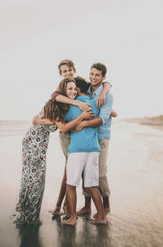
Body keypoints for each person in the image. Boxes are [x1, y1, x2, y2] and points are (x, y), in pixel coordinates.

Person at [15, 78, 93, 225]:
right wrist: (82, 117)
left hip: (41, 143)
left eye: (74, 89)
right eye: (69, 89)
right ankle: (28, 217)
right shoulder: (56, 104)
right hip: (33, 142)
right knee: (34, 179)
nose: (73, 91)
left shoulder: (64, 106)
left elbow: (52, 122)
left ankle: (28, 214)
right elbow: (62, 128)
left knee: (37, 179)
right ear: (63, 91)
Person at [44, 59, 113, 217]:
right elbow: (54, 97)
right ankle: (61, 206)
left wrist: (104, 91)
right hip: (69, 133)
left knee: (79, 171)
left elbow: (106, 84)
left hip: (82, 132)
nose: (67, 73)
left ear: (74, 70)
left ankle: (70, 207)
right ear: (60, 74)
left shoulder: (80, 85)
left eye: (69, 70)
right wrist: (77, 105)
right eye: (64, 71)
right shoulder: (61, 89)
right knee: (72, 170)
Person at [62, 76, 108, 226]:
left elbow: (62, 125)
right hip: (94, 148)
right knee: (91, 184)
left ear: (78, 89)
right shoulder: (95, 103)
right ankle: (102, 216)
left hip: (78, 149)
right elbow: (107, 115)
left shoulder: (70, 107)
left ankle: (73, 218)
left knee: (71, 183)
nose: (73, 91)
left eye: (74, 89)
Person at [75, 63, 113, 217]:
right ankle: (87, 206)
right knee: (86, 171)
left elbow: (103, 118)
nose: (93, 77)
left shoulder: (107, 95)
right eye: (91, 73)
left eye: (97, 75)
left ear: (103, 77)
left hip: (101, 136)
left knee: (100, 171)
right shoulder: (87, 90)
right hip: (87, 136)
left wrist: (84, 123)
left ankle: (106, 204)